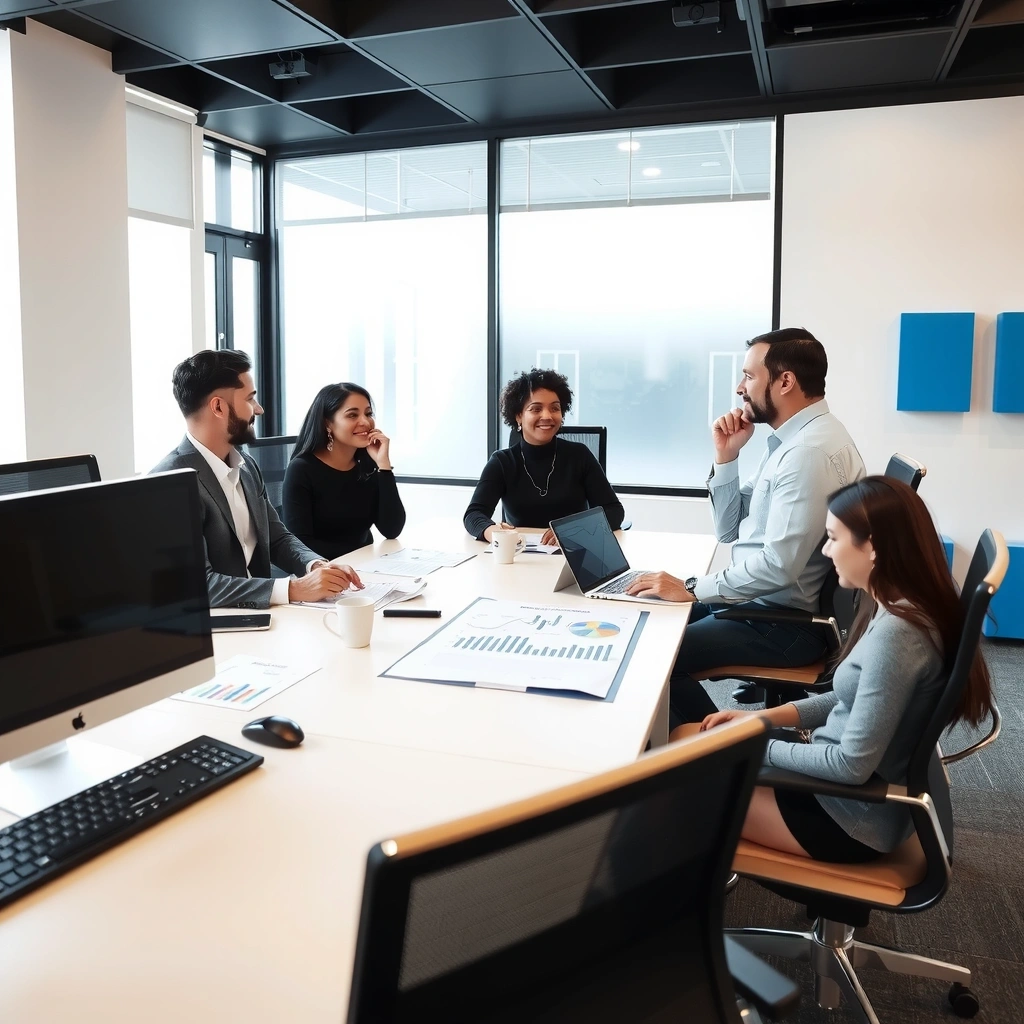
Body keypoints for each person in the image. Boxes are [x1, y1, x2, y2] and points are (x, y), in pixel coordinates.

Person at [680, 476, 993, 863]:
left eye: (833, 537)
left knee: (668, 785)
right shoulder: (900, 605)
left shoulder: (899, 636)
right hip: (839, 792)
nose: (826, 551)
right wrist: (759, 721)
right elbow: (852, 696)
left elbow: (850, 765)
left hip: (846, 817)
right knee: (685, 736)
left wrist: (762, 743)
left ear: (873, 547)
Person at [624, 328, 865, 725]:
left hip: (783, 623)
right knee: (649, 618)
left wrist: (689, 588)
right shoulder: (794, 442)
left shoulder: (807, 453)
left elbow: (779, 566)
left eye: (749, 376)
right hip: (763, 603)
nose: (740, 388)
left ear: (785, 381)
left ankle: (725, 754)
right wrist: (727, 456)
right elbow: (730, 528)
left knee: (649, 654)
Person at [152, 349, 361, 609]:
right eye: (250, 399)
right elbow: (199, 586)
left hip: (264, 615)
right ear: (218, 406)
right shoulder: (170, 481)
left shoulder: (246, 465)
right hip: (217, 628)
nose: (259, 409)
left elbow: (277, 537)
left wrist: (316, 565)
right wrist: (295, 588)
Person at [464, 369, 624, 544]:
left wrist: (574, 529)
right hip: (521, 558)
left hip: (575, 554)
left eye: (555, 408)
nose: (547, 416)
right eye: (536, 409)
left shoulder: (580, 455)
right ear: (519, 416)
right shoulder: (502, 462)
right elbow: (474, 514)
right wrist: (493, 531)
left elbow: (614, 511)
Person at [283, 383, 406, 560]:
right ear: (328, 423)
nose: (365, 422)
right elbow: (300, 544)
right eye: (352, 415)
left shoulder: (367, 466)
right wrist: (358, 558)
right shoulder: (302, 469)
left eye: (368, 413)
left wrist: (384, 466)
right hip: (324, 572)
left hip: (367, 567)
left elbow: (392, 530)